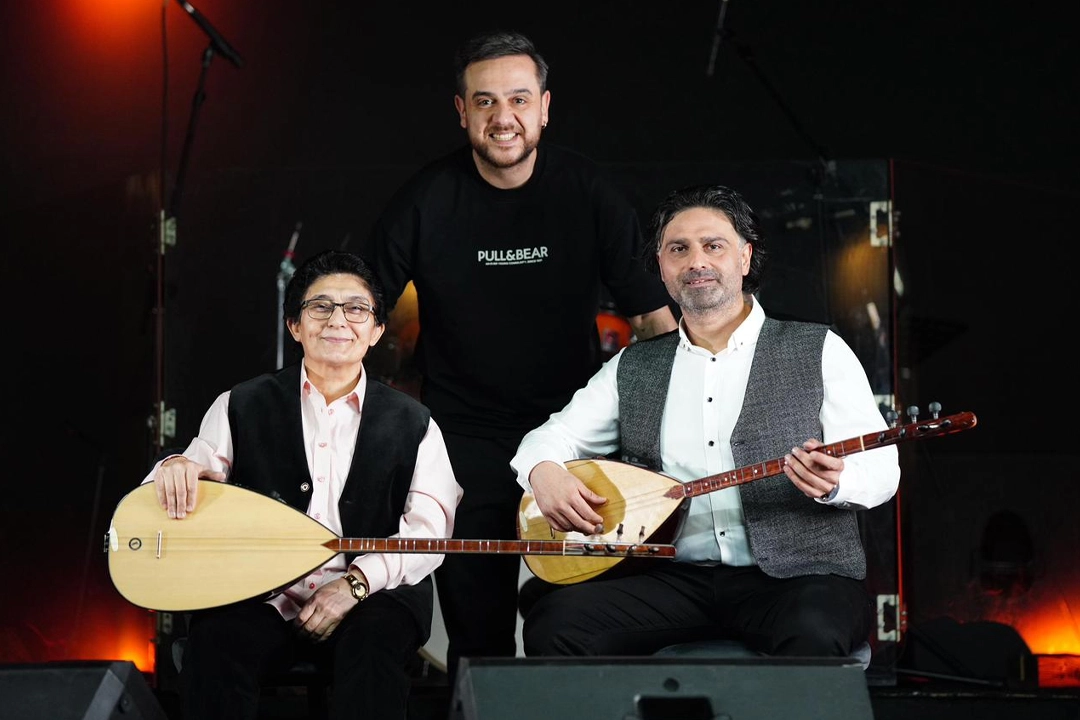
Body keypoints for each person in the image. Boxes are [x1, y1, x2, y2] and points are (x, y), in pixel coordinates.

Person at [360, 30, 677, 680]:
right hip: (464, 440)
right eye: (485, 101)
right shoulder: (425, 200)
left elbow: (653, 321)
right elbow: (358, 311)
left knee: (585, 626)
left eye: (519, 99)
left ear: (545, 107)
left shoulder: (589, 191)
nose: (503, 117)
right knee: (477, 641)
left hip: (576, 438)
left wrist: (659, 435)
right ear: (461, 111)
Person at [510, 184, 901, 660]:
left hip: (799, 578)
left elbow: (882, 469)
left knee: (813, 630)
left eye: (713, 245)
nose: (696, 261)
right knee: (557, 625)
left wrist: (837, 483)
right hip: (673, 578)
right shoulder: (633, 366)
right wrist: (543, 472)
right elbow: (550, 437)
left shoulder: (819, 349)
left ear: (745, 257)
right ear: (661, 267)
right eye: (679, 249)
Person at [142, 249, 462, 720]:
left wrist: (356, 583)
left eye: (356, 308)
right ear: (295, 325)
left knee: (375, 646)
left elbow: (430, 532)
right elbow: (182, 476)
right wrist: (174, 468)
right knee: (216, 642)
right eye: (320, 306)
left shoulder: (415, 423)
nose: (338, 320)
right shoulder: (241, 404)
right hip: (261, 596)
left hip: (373, 597)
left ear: (376, 330)